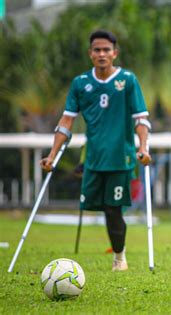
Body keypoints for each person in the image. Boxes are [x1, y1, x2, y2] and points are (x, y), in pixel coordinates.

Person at [40, 30, 152, 271]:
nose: (102, 54)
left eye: (106, 50)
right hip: (93, 159)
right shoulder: (80, 83)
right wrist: (52, 155)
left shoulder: (128, 80)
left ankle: (119, 257)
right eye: (97, 50)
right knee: (93, 207)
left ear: (115, 53)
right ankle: (117, 253)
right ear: (90, 54)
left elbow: (141, 119)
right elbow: (67, 121)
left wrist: (143, 148)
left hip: (120, 158)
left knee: (113, 210)